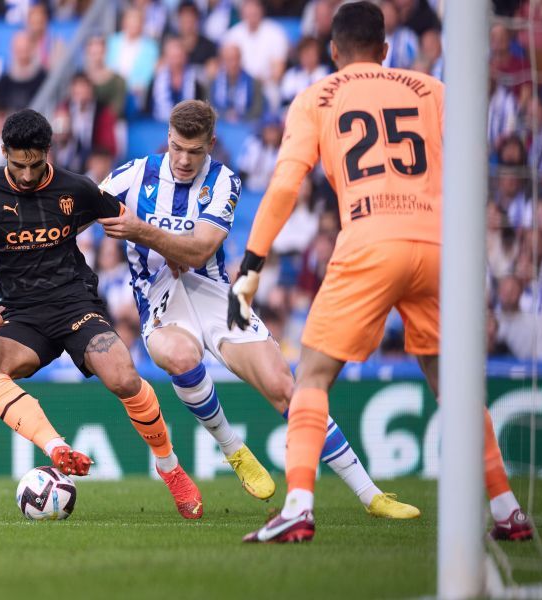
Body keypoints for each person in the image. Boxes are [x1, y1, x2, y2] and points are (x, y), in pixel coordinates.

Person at [228, 2, 532, 543]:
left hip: (369, 238)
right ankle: (506, 508)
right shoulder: (433, 91)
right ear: (387, 51)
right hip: (439, 245)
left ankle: (298, 505)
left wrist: (251, 263)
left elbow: (284, 186)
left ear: (333, 51)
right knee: (452, 384)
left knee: (314, 377)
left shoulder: (315, 98)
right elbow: (470, 168)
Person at [98, 99, 414, 519]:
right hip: (160, 297)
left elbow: (201, 249)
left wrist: (143, 232)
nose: (184, 160)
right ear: (167, 140)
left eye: (195, 151)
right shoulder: (134, 174)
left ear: (211, 144)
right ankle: (234, 449)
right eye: (176, 148)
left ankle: (370, 495)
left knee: (286, 388)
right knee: (177, 355)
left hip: (215, 295)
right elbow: (82, 203)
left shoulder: (225, 180)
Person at [0, 109, 202, 519]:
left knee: (124, 377)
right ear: (3, 151)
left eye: (35, 164)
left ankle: (169, 468)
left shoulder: (76, 189)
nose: (26, 176)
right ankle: (55, 447)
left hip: (76, 305)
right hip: (23, 317)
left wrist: (169, 249)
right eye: (17, 164)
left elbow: (126, 221)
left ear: (49, 152)